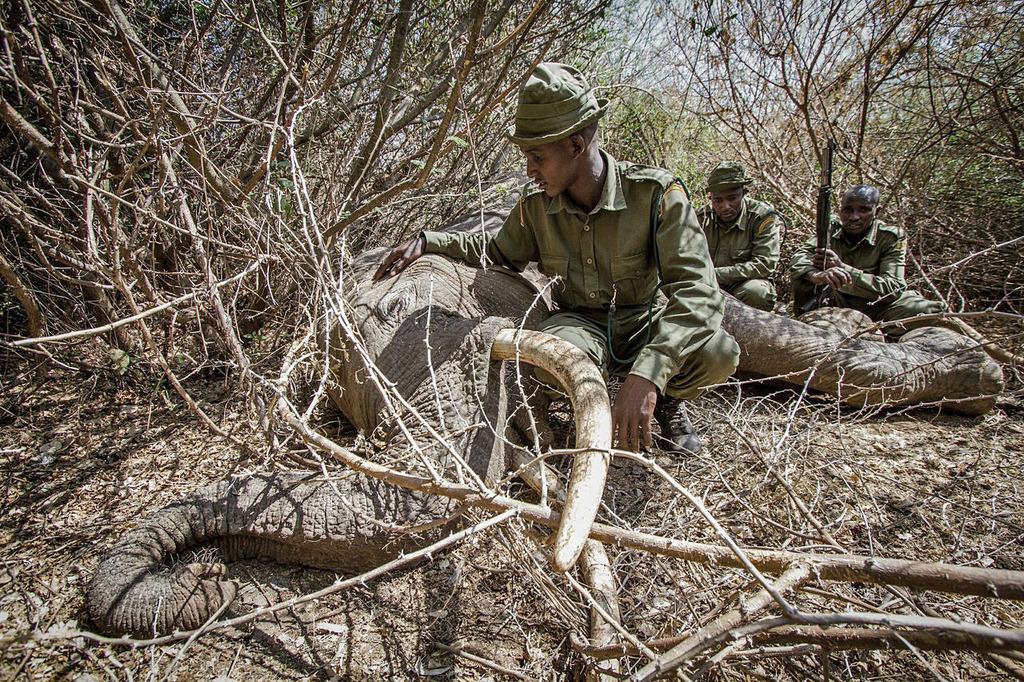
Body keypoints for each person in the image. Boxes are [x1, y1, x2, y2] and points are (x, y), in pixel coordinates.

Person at [375, 63, 739, 455]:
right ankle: (592, 405)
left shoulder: (655, 195)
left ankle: (665, 400)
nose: (529, 170)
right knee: (550, 354)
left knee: (718, 353)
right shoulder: (535, 208)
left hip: (643, 323)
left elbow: (699, 293)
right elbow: (497, 252)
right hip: (580, 325)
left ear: (575, 146)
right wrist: (429, 240)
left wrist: (649, 373)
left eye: (536, 156)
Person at [790, 184, 946, 334]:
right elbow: (799, 257)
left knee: (925, 311)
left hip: (875, 305)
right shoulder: (830, 229)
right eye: (848, 210)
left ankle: (874, 330)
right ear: (840, 210)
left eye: (863, 210)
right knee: (802, 281)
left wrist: (843, 269)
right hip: (835, 301)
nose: (854, 217)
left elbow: (894, 288)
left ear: (876, 211)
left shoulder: (890, 237)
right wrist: (816, 275)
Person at [697, 162, 781, 311]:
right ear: (711, 198)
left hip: (744, 284)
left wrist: (715, 274)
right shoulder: (701, 218)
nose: (725, 206)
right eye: (718, 200)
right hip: (707, 284)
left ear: (744, 193)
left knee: (757, 293)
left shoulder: (762, 217)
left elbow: (764, 264)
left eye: (732, 198)